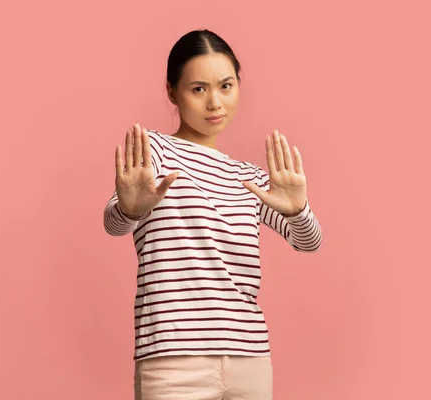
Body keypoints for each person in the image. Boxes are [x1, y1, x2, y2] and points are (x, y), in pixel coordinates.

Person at [104, 29, 322, 400]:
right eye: (199, 89)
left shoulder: (249, 177)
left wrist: (299, 209)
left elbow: (309, 242)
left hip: (249, 358)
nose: (215, 103)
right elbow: (113, 222)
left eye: (226, 86)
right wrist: (129, 209)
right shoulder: (155, 150)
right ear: (173, 91)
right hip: (173, 360)